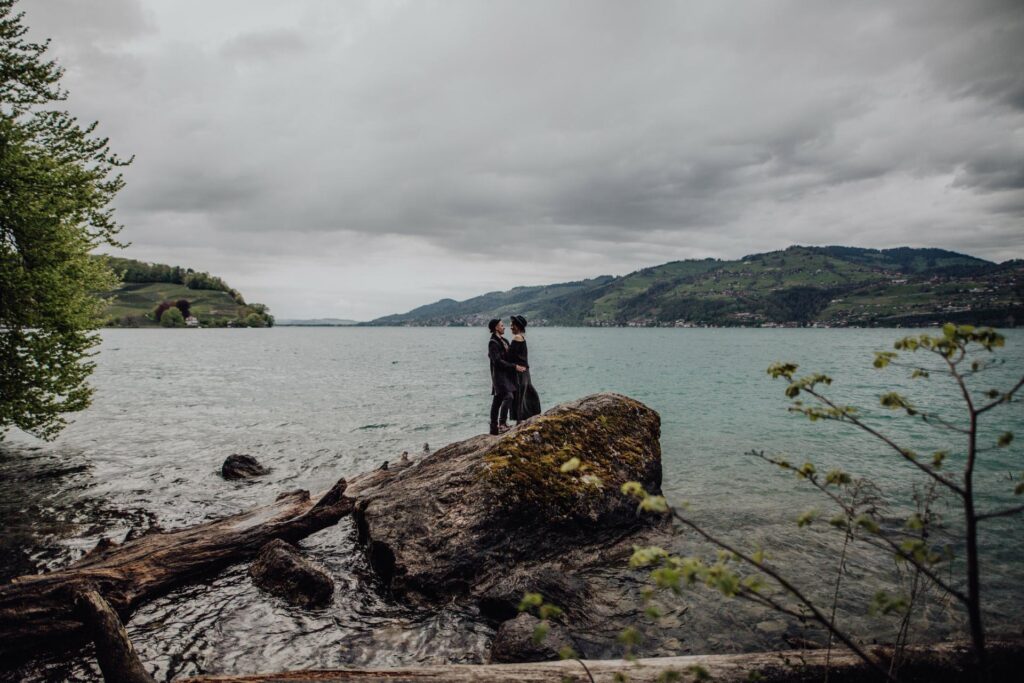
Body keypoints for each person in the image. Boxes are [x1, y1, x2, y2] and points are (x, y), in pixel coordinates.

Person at [488, 318, 523, 435]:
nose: (504, 327)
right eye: (502, 325)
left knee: (497, 400)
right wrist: (514, 366)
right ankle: (502, 424)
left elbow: (509, 356)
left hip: (506, 375)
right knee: (509, 396)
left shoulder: (505, 341)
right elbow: (497, 361)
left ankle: (493, 428)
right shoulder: (493, 342)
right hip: (499, 376)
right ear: (496, 328)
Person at [507, 315, 542, 423]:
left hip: (519, 372)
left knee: (519, 395)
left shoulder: (516, 338)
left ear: (518, 326)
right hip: (525, 371)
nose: (511, 327)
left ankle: (518, 421)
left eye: (512, 325)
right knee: (525, 394)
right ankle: (528, 418)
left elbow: (509, 356)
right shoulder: (522, 337)